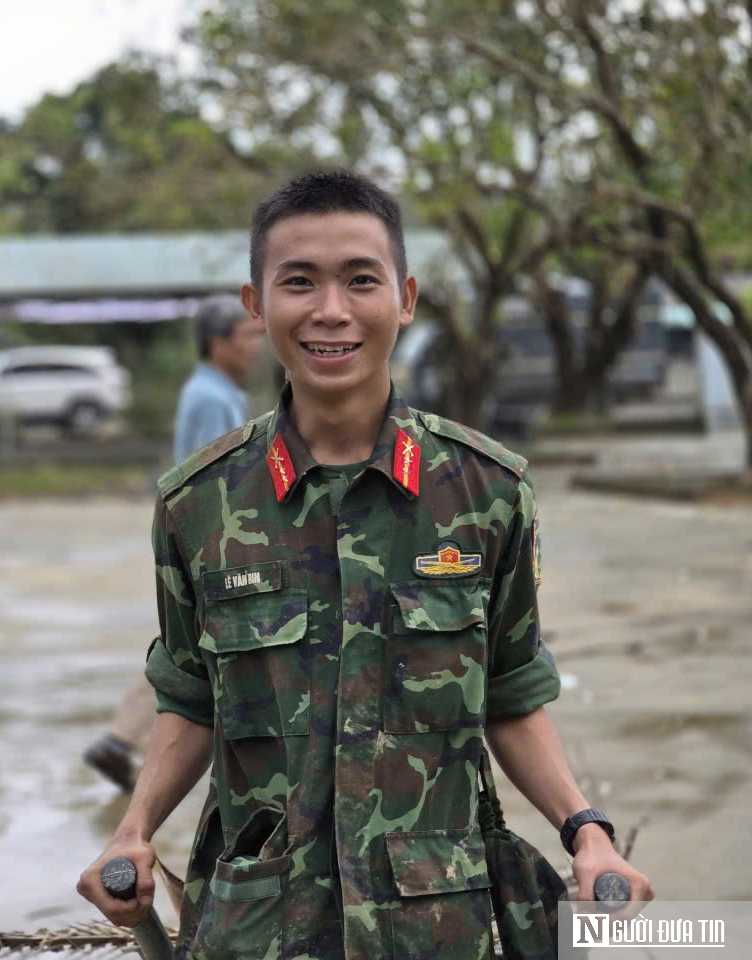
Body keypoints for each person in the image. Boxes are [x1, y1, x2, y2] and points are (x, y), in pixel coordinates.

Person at [77, 170, 652, 958]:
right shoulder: (197, 504)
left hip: (438, 923)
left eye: (360, 280)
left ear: (405, 298)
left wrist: (587, 833)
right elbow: (188, 695)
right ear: (255, 305)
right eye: (299, 282)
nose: (331, 310)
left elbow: (511, 690)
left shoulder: (488, 493)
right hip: (259, 927)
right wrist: (133, 832)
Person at [83, 296, 266, 790]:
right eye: (248, 336)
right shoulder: (212, 399)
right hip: (215, 544)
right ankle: (132, 747)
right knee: (195, 650)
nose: (256, 347)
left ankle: (122, 741)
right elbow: (216, 479)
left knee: (192, 647)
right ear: (218, 342)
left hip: (206, 542)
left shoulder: (213, 391)